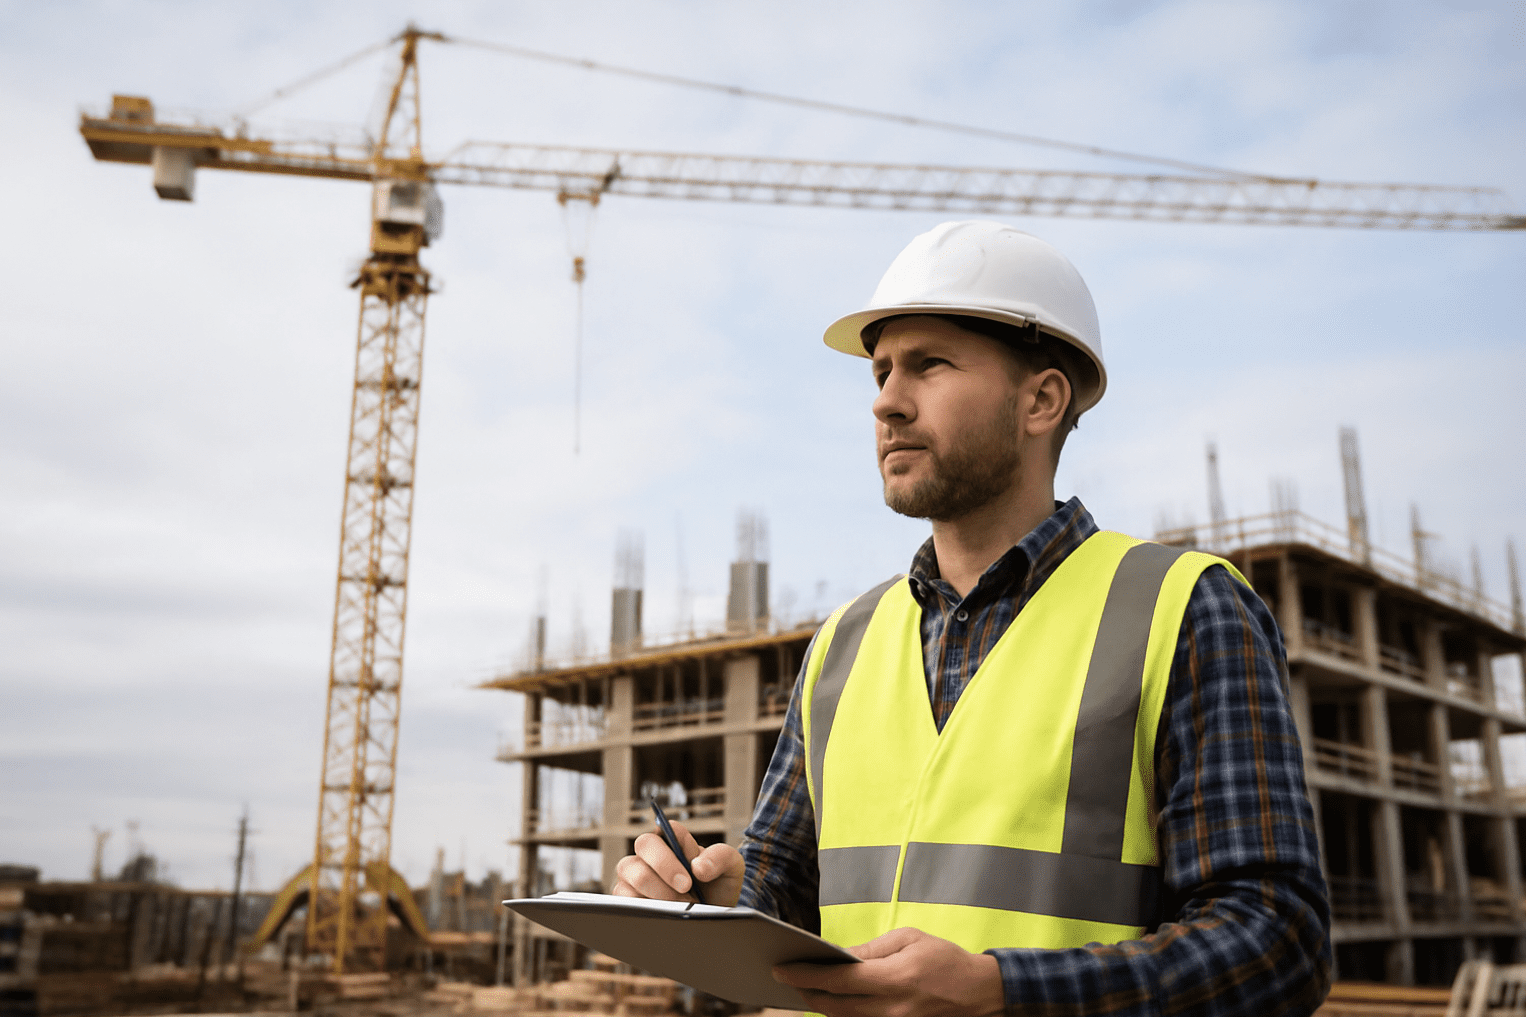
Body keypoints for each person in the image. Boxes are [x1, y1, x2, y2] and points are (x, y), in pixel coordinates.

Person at [614, 221, 1331, 1016]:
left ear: (1041, 400)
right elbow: (787, 889)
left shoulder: (1184, 609)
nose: (886, 400)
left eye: (930, 365)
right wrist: (719, 896)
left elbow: (1276, 939)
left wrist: (1002, 993)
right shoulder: (842, 646)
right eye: (881, 371)